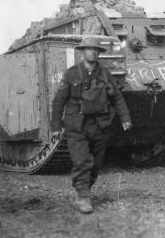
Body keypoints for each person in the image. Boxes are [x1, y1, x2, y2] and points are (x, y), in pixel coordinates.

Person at [51, 36, 132, 213]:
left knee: (96, 164)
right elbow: (59, 101)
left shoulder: (105, 74)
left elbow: (116, 97)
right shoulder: (72, 73)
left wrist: (125, 118)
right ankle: (83, 196)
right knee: (82, 161)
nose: (93, 52)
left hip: (99, 125)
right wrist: (56, 126)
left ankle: (85, 189)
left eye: (96, 50)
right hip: (77, 124)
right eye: (89, 49)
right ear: (82, 52)